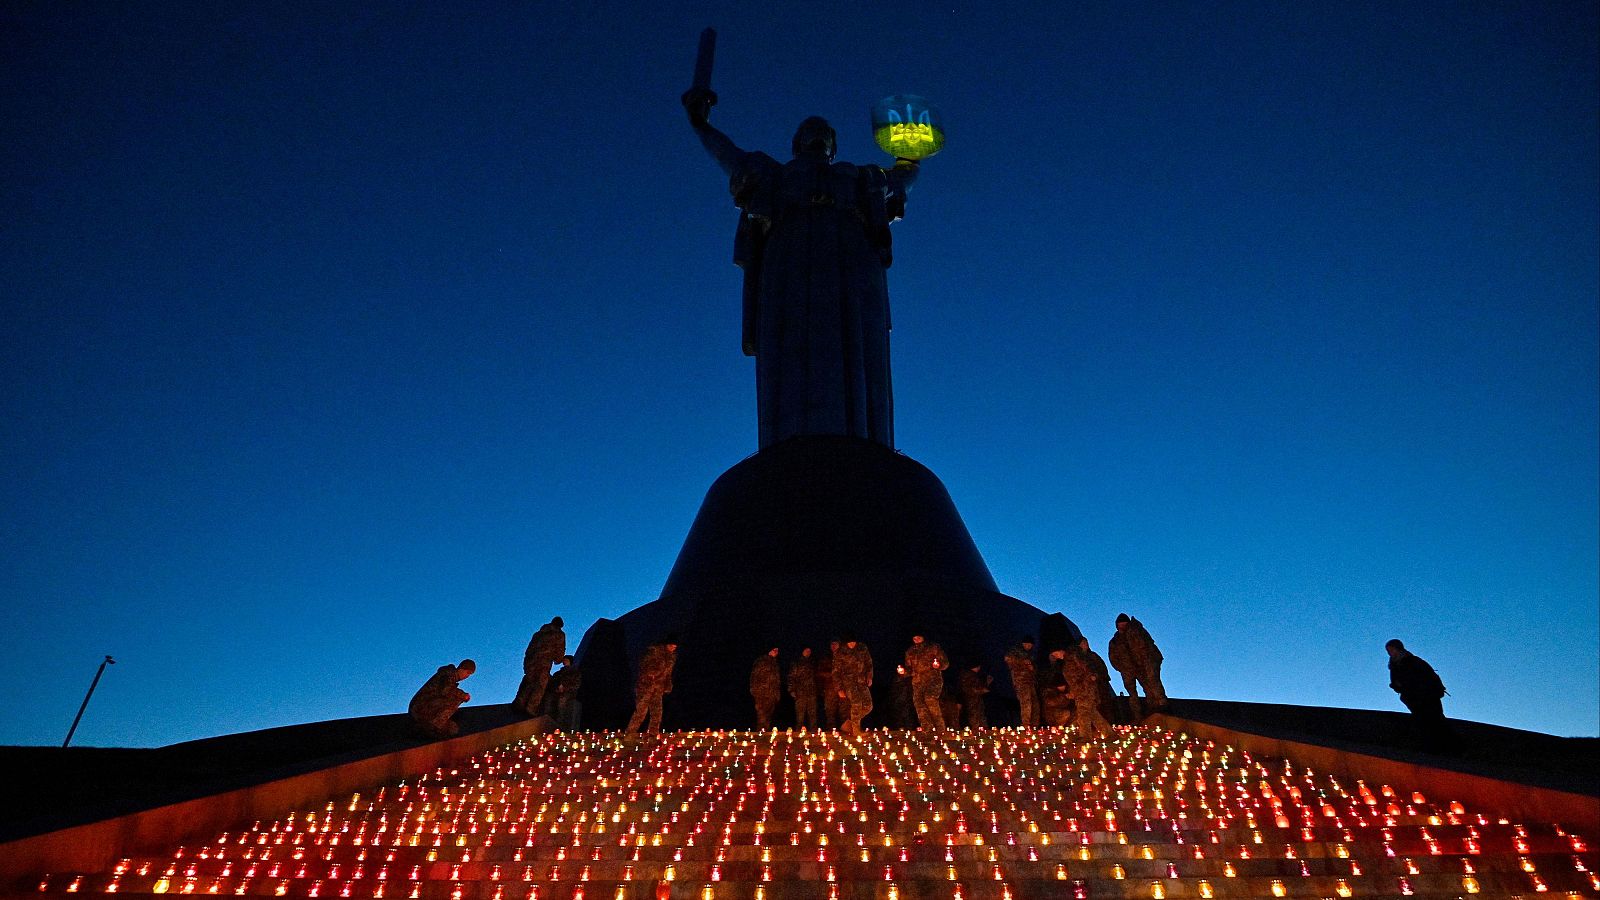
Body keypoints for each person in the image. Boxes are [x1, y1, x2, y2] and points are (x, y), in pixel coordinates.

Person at [682, 87, 921, 450]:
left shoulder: (857, 176)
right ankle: (789, 438)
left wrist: (911, 157)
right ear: (796, 143)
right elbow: (730, 158)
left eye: (825, 134)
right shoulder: (774, 175)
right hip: (790, 259)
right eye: (811, 132)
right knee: (792, 339)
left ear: (833, 146)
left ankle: (860, 437)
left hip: (850, 260)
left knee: (855, 338)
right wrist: (701, 125)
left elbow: (898, 180)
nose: (818, 137)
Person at [1386, 639, 1454, 752]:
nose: (1389, 653)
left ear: (1398, 648)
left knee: (1436, 721)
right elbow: (1397, 682)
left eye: (1391, 650)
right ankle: (1435, 747)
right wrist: (1397, 686)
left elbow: (1426, 678)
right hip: (1413, 699)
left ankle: (1450, 747)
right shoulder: (1394, 666)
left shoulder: (1414, 661)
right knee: (1424, 722)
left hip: (1427, 697)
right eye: (1388, 651)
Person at [1107, 613, 1167, 717]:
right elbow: (1113, 657)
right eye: (1120, 624)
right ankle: (1138, 715)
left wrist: (1146, 661)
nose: (1122, 626)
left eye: (1124, 623)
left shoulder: (1135, 631)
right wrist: (1121, 668)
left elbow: (1146, 644)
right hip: (1127, 670)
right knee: (1133, 693)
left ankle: (1158, 705)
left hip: (1141, 665)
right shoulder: (1115, 641)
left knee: (1149, 685)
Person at [625, 636, 679, 736]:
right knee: (641, 711)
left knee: (657, 712)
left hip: (658, 688)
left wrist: (667, 684)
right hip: (645, 686)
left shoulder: (671, 657)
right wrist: (654, 673)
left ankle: (653, 735)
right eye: (671, 646)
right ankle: (630, 733)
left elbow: (668, 673)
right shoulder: (654, 652)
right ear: (666, 644)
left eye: (675, 647)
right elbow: (644, 666)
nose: (673, 648)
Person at [513, 617, 566, 717]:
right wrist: (558, 659)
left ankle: (519, 703)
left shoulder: (539, 633)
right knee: (540, 685)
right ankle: (531, 708)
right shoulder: (559, 635)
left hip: (531, 662)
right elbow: (559, 653)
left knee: (528, 682)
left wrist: (527, 662)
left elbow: (529, 649)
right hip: (544, 663)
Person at [410, 659, 475, 739]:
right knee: (456, 698)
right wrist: (463, 695)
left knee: (453, 728)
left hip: (422, 707)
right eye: (468, 673)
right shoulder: (447, 674)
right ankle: (435, 725)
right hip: (420, 708)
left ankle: (434, 724)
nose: (467, 676)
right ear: (461, 668)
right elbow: (446, 690)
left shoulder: (449, 676)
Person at [1062, 646, 1112, 735]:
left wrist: (1091, 677)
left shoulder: (1074, 658)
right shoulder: (1067, 662)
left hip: (1084, 689)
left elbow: (1086, 669)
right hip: (1080, 690)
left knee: (1083, 712)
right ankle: (1108, 733)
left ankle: (1085, 735)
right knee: (1092, 712)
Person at [904, 631, 948, 729]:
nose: (916, 638)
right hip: (917, 683)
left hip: (933, 680)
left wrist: (938, 665)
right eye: (914, 637)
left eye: (918, 636)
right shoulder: (910, 651)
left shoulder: (933, 648)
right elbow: (909, 669)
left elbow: (945, 663)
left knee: (930, 699)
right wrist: (903, 672)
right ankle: (928, 730)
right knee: (919, 705)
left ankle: (940, 729)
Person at [833, 633, 874, 736]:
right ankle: (856, 731)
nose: (852, 644)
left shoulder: (862, 648)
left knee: (868, 706)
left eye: (853, 642)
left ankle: (849, 724)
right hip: (848, 683)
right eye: (849, 643)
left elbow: (869, 663)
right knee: (856, 704)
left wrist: (869, 677)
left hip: (862, 681)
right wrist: (839, 689)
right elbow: (835, 672)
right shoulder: (840, 652)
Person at [1077, 636, 1118, 725]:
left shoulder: (1093, 656)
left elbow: (1102, 668)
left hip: (1101, 684)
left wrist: (1100, 677)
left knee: (1106, 706)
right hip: (1089, 687)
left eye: (1086, 642)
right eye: (1083, 642)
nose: (1086, 644)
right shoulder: (1078, 658)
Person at [1005, 638, 1040, 727]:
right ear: (1023, 643)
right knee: (1026, 703)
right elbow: (1008, 659)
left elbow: (1034, 666)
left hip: (1031, 681)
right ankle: (1026, 725)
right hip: (1021, 681)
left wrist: (1033, 668)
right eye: (1027, 644)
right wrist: (1022, 662)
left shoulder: (1030, 654)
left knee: (1035, 704)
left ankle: (1035, 725)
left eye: (1031, 645)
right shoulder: (1016, 651)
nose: (1029, 646)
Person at [750, 647, 782, 729]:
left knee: (768, 717)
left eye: (777, 651)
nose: (776, 652)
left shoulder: (775, 664)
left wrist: (777, 694)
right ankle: (760, 735)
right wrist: (754, 690)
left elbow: (777, 680)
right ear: (769, 650)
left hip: (772, 694)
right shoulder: (761, 661)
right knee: (761, 716)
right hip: (761, 693)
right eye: (774, 650)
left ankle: (765, 734)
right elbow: (754, 676)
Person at [1040, 649, 1073, 727]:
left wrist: (1071, 697)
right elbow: (1050, 702)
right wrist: (1064, 697)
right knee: (1066, 713)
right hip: (1052, 715)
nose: (1063, 688)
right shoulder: (1049, 691)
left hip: (1061, 712)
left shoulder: (1060, 666)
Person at [788, 647, 819, 729]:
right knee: (800, 717)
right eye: (806, 650)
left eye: (810, 650)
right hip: (800, 693)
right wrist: (791, 690)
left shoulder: (813, 662)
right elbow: (791, 676)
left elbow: (817, 677)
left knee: (813, 716)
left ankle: (814, 735)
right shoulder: (796, 662)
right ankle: (799, 735)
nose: (808, 652)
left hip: (812, 693)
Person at [548, 655, 582, 730]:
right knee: (549, 700)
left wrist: (564, 687)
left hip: (568, 692)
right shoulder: (558, 673)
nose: (564, 661)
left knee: (562, 702)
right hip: (556, 691)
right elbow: (553, 682)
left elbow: (576, 684)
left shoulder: (574, 672)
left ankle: (559, 724)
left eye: (566, 660)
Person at [820, 640, 846, 729]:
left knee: (844, 711)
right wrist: (831, 675)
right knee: (830, 712)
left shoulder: (845, 656)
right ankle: (831, 733)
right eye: (832, 644)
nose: (834, 646)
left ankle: (846, 731)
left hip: (843, 689)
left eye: (836, 644)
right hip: (829, 689)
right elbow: (819, 672)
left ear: (839, 645)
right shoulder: (826, 658)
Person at [957, 663, 992, 728]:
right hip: (971, 702)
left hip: (977, 702)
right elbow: (970, 689)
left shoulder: (973, 676)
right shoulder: (968, 676)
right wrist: (983, 690)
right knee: (974, 720)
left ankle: (983, 733)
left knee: (980, 719)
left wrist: (987, 683)